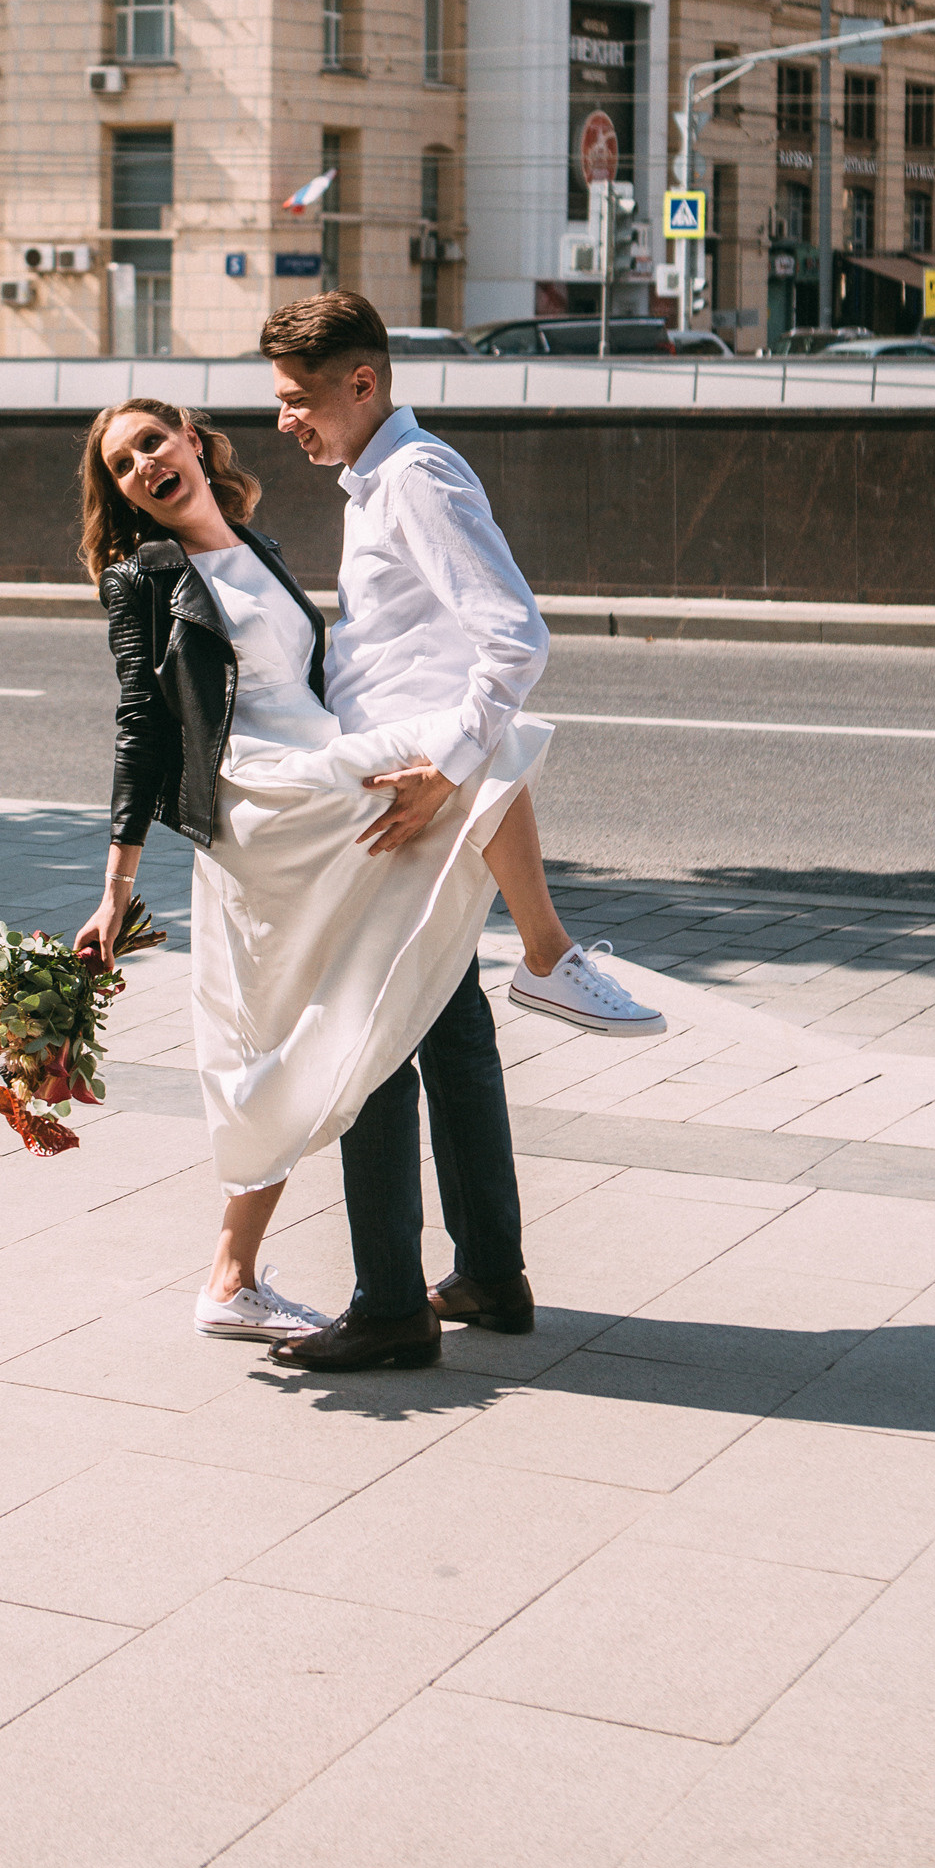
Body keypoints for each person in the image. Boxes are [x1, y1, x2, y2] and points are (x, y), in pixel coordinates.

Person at [72, 395, 572, 1351]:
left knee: (445, 998)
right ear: (123, 496)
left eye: (150, 443)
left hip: (333, 787)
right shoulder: (143, 576)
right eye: (122, 467)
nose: (141, 467)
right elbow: (142, 729)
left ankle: (483, 1277)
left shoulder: (254, 546)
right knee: (390, 972)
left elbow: (320, 682)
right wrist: (117, 886)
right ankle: (548, 956)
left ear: (188, 436)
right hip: (275, 805)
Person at [258, 289, 663, 1377]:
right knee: (447, 1031)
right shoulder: (375, 480)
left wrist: (447, 767)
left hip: (414, 801)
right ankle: (489, 1271)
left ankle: (390, 1306)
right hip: (405, 792)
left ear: (363, 383)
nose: (284, 420)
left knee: (371, 1042)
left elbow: (513, 637)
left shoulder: (416, 479)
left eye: (299, 400)